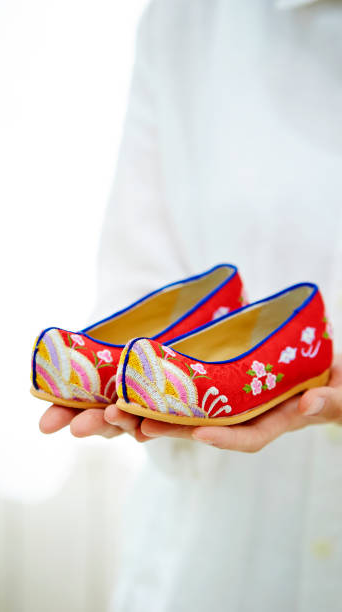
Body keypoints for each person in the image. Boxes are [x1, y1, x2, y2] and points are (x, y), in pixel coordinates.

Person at [40, 1, 342, 609]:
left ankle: (289, 344)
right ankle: (226, 340)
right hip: (213, 559)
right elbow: (137, 270)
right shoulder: (187, 18)